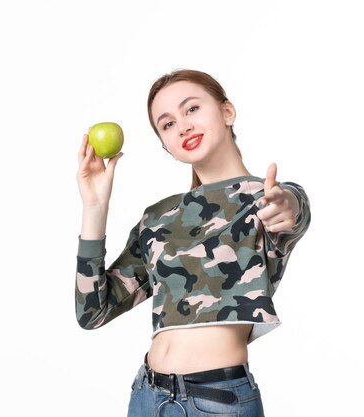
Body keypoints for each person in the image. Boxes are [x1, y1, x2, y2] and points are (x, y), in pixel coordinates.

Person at [74, 69, 311, 417]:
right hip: (145, 396)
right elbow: (92, 312)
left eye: (191, 109)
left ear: (227, 112)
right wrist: (95, 207)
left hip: (216, 402)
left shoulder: (265, 199)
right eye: (167, 124)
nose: (182, 126)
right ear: (165, 145)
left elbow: (292, 208)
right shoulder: (158, 217)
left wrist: (287, 204)